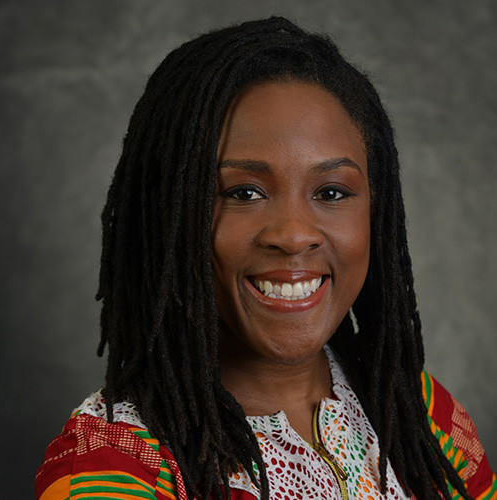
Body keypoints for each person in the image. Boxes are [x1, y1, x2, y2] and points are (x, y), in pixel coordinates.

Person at [36, 17, 495, 500]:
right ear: (166, 214)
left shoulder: (419, 413)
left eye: (331, 192)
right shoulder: (111, 467)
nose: (293, 236)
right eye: (244, 192)